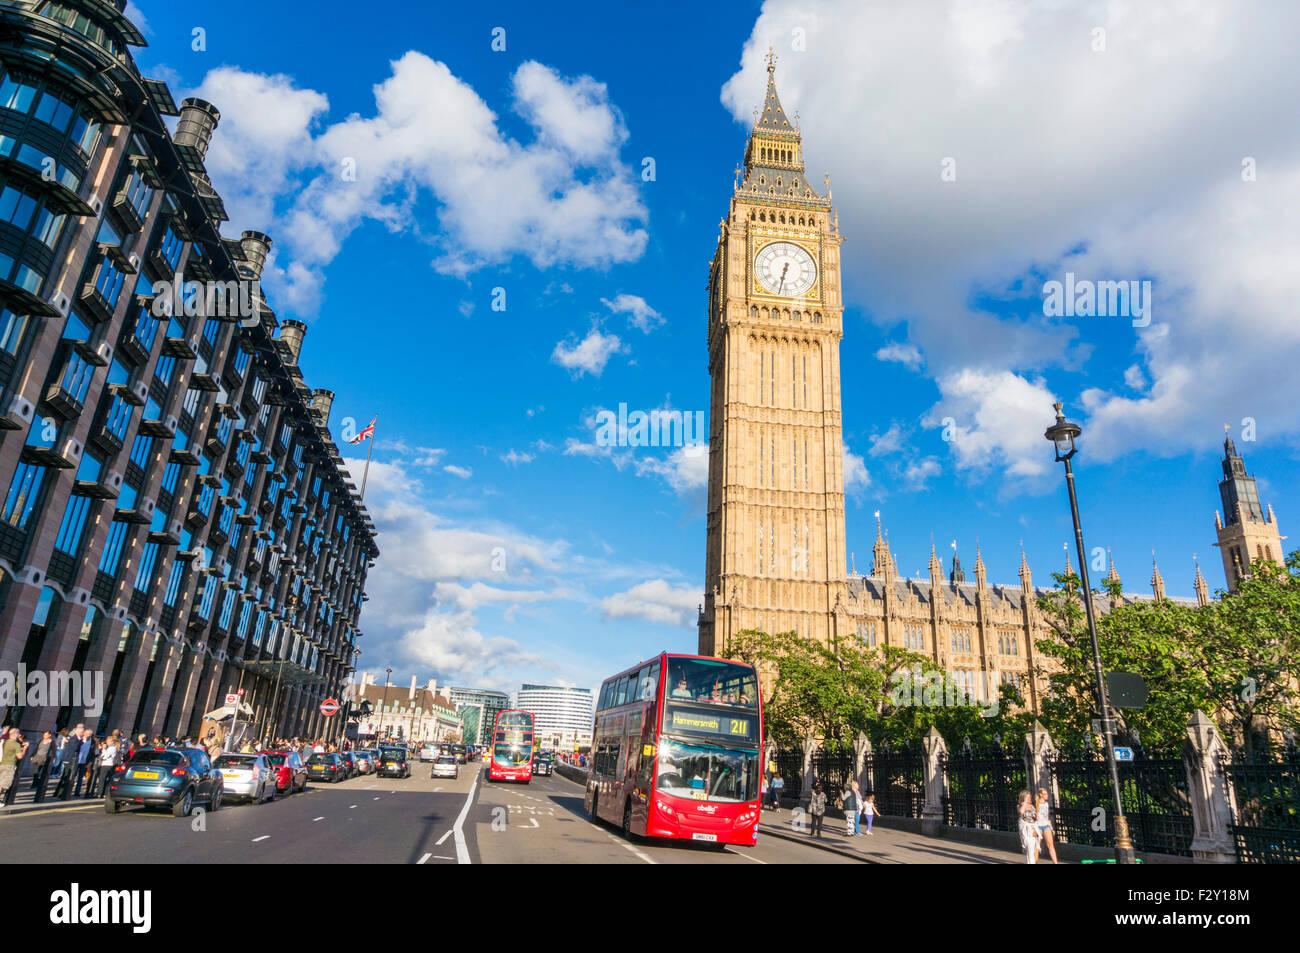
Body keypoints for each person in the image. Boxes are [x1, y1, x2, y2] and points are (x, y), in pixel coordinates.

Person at [0, 727, 27, 805]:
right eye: (19, 734)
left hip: (1, 763)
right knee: (2, 784)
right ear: (17, 734)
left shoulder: (4, 742)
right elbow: (19, 757)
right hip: (9, 765)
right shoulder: (16, 744)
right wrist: (24, 749)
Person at [1034, 788, 1059, 863]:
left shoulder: (1046, 804)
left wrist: (1050, 826)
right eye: (1045, 794)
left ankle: (1055, 862)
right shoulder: (1036, 804)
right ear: (1040, 795)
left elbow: (1047, 817)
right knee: (1037, 846)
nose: (1047, 795)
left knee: (1051, 845)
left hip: (1046, 826)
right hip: (1038, 826)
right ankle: (1034, 862)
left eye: (1047, 794)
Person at [1017, 790, 1041, 864]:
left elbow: (1035, 818)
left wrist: (1036, 817)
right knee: (1030, 848)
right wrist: (1024, 803)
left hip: (1033, 829)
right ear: (1023, 797)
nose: (1029, 798)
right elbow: (1021, 812)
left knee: (1032, 849)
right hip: (1025, 830)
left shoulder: (1032, 806)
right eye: (1027, 797)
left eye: (1030, 797)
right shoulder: (1020, 806)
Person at [29, 730, 53, 803]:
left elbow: (53, 750)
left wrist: (54, 757)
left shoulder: (51, 742)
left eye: (46, 734)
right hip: (37, 756)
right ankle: (36, 782)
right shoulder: (40, 741)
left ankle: (36, 784)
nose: (44, 736)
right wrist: (32, 755)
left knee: (40, 771)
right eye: (44, 734)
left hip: (44, 758)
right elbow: (36, 749)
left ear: (49, 735)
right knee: (34, 771)